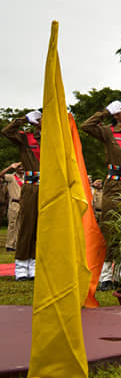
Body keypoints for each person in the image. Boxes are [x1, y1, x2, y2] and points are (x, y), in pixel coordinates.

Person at [80, 89, 121, 290]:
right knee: (111, 228)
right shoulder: (109, 133)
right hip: (115, 185)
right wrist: (106, 112)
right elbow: (86, 126)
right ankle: (106, 276)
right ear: (117, 113)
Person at [1, 111, 42, 280]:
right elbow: (6, 132)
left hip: (49, 186)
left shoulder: (56, 140)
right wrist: (23, 119)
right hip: (31, 186)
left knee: (41, 227)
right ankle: (21, 266)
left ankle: (33, 264)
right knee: (27, 225)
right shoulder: (27, 138)